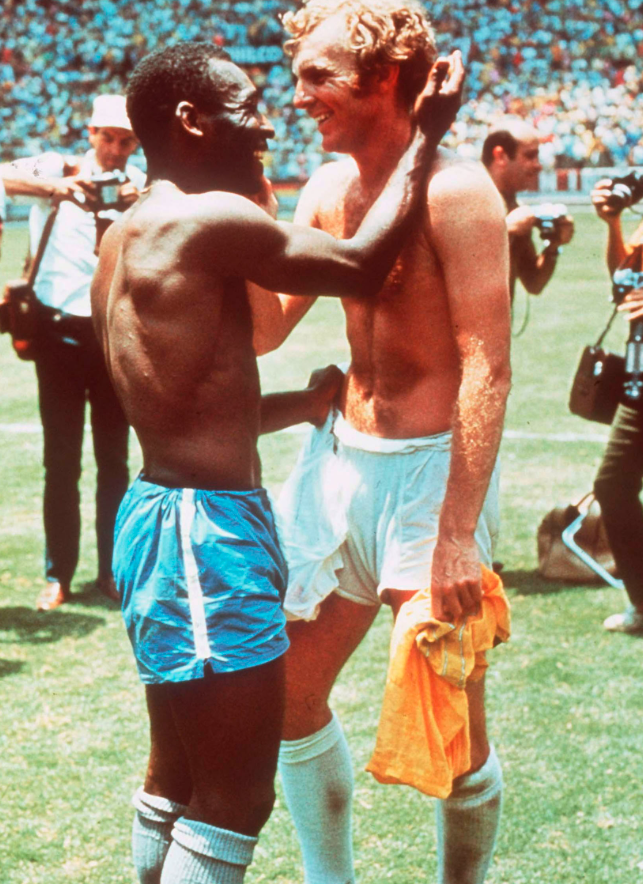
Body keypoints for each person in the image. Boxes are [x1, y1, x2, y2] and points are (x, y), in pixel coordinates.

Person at [90, 41, 463, 884]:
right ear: (190, 120)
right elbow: (362, 265)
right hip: (203, 533)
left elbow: (178, 400)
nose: (268, 122)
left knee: (177, 778)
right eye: (247, 103)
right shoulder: (205, 219)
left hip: (165, 516)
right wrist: (426, 135)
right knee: (233, 800)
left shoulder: (125, 233)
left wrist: (296, 404)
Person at [251, 2, 512, 882]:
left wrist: (455, 532)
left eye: (318, 77)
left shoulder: (458, 190)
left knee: (450, 721)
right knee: (286, 697)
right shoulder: (325, 189)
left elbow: (488, 370)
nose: (300, 97)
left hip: (430, 480)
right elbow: (262, 332)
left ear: (385, 78)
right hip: (338, 468)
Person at [0, 95, 144, 611]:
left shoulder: (142, 185)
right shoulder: (56, 167)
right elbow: (2, 176)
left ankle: (113, 571)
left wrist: (138, 200)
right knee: (60, 461)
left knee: (115, 461)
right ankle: (58, 573)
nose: (115, 149)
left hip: (112, 335)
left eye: (126, 140)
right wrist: (55, 188)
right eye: (107, 137)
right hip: (58, 334)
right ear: (89, 133)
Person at [591, 176, 643, 634]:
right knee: (612, 486)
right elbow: (621, 282)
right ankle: (642, 604)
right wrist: (613, 224)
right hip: (637, 387)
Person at [482, 121, 574, 301]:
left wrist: (553, 245)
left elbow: (534, 282)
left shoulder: (514, 207)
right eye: (530, 156)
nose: (538, 165)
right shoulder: (465, 196)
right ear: (500, 155)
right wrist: (505, 230)